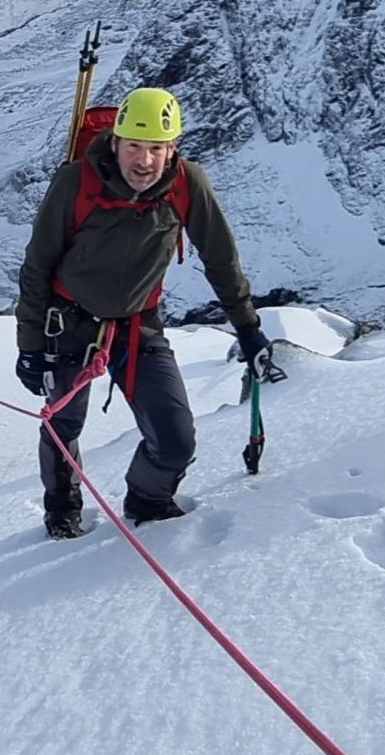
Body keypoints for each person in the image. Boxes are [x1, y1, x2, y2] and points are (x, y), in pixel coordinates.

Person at [14, 88, 272, 539]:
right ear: (114, 141)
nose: (145, 160)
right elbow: (37, 266)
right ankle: (62, 508)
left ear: (173, 148)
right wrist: (30, 344)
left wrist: (248, 328)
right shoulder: (75, 183)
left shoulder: (188, 184)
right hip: (68, 323)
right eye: (134, 145)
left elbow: (221, 260)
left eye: (157, 147)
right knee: (63, 424)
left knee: (175, 440)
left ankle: (147, 499)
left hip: (138, 327)